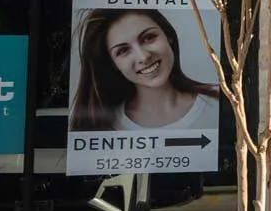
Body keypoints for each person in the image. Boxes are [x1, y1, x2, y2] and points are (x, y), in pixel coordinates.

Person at [70, 8, 220, 132]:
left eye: (148, 37)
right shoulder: (103, 126)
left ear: (168, 36)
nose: (143, 56)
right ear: (113, 64)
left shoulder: (222, 101)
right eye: (123, 51)